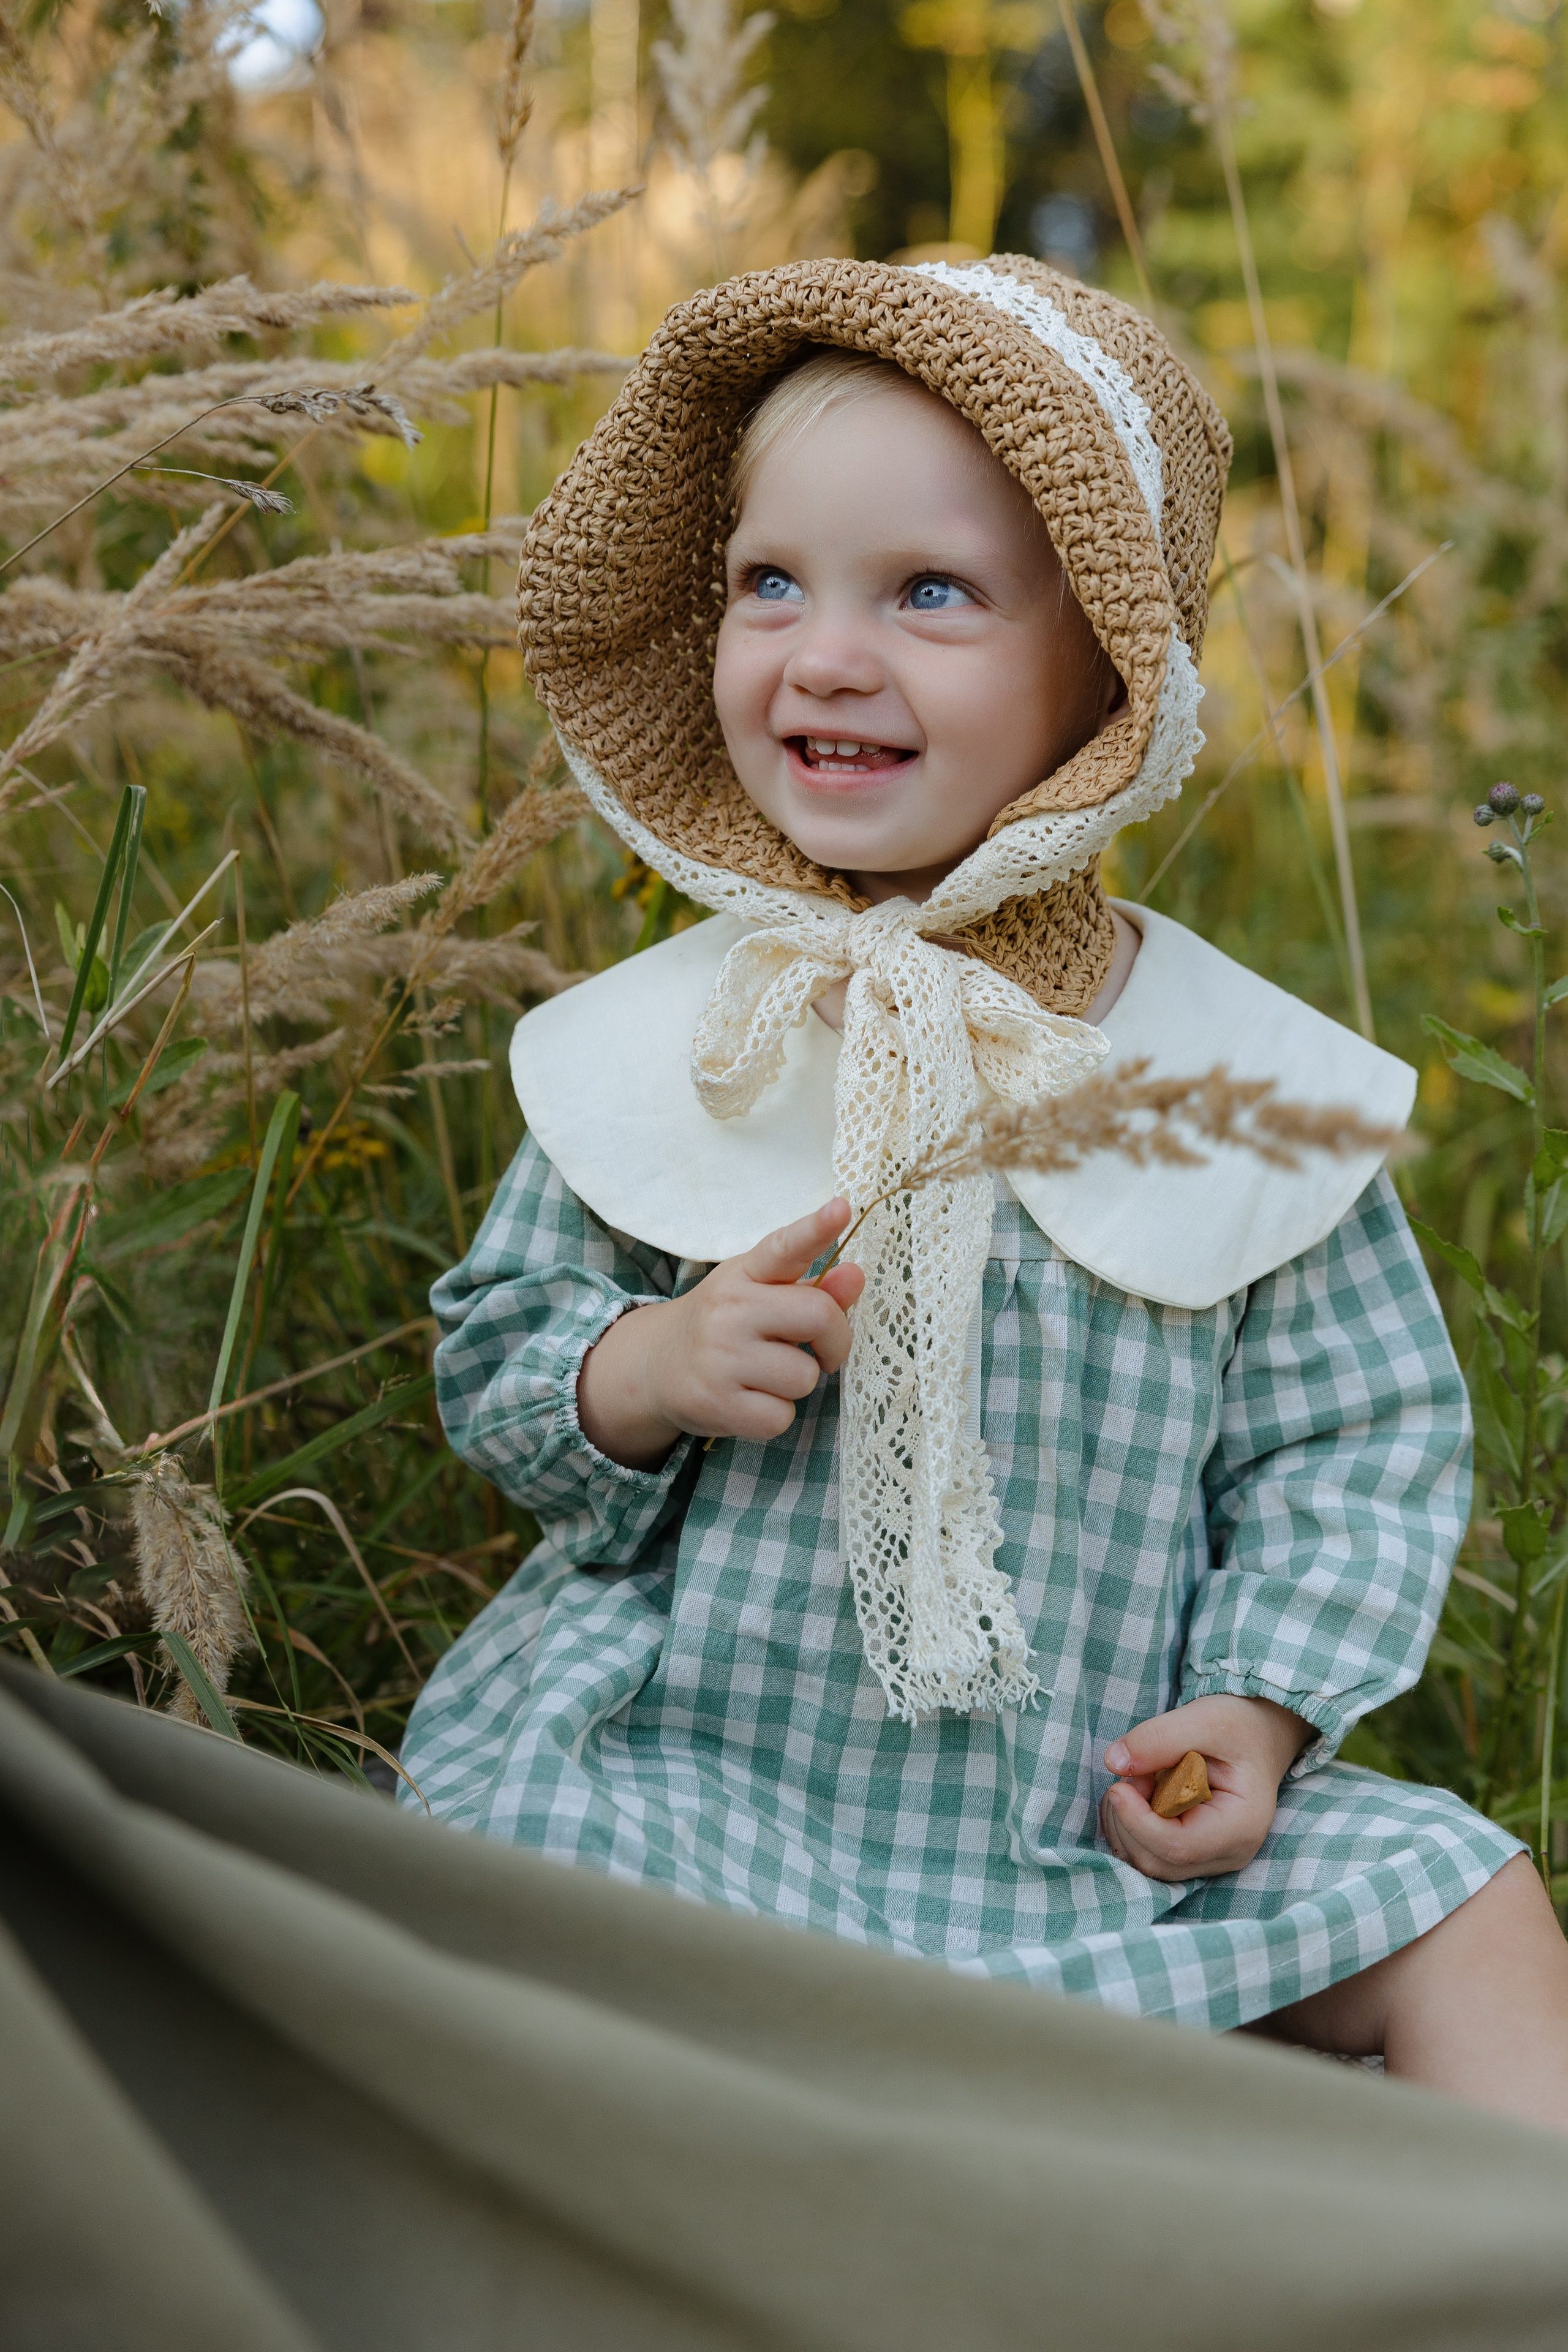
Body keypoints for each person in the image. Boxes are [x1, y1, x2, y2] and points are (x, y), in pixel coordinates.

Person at [401, 256, 1568, 2128]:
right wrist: (642, 1371)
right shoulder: (685, 1043)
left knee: (1467, 1901)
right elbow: (502, 1359)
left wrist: (1260, 1715)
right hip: (701, 1792)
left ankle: (1506, 2282)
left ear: (1103, 667)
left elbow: (1356, 1446)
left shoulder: (1227, 1072)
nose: (826, 653)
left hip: (1090, 1841)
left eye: (928, 593)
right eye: (769, 582)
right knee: (522, 1843)